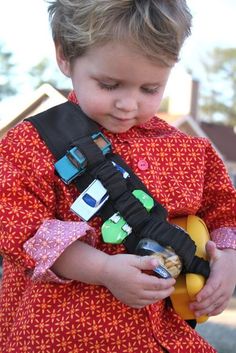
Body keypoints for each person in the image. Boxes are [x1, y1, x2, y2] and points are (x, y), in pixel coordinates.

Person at [0, 0, 235, 352]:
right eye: (109, 85)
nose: (128, 104)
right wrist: (104, 270)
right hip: (60, 335)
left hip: (163, 338)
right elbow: (20, 229)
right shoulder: (31, 145)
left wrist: (227, 264)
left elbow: (225, 214)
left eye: (150, 89)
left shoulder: (191, 151)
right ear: (65, 55)